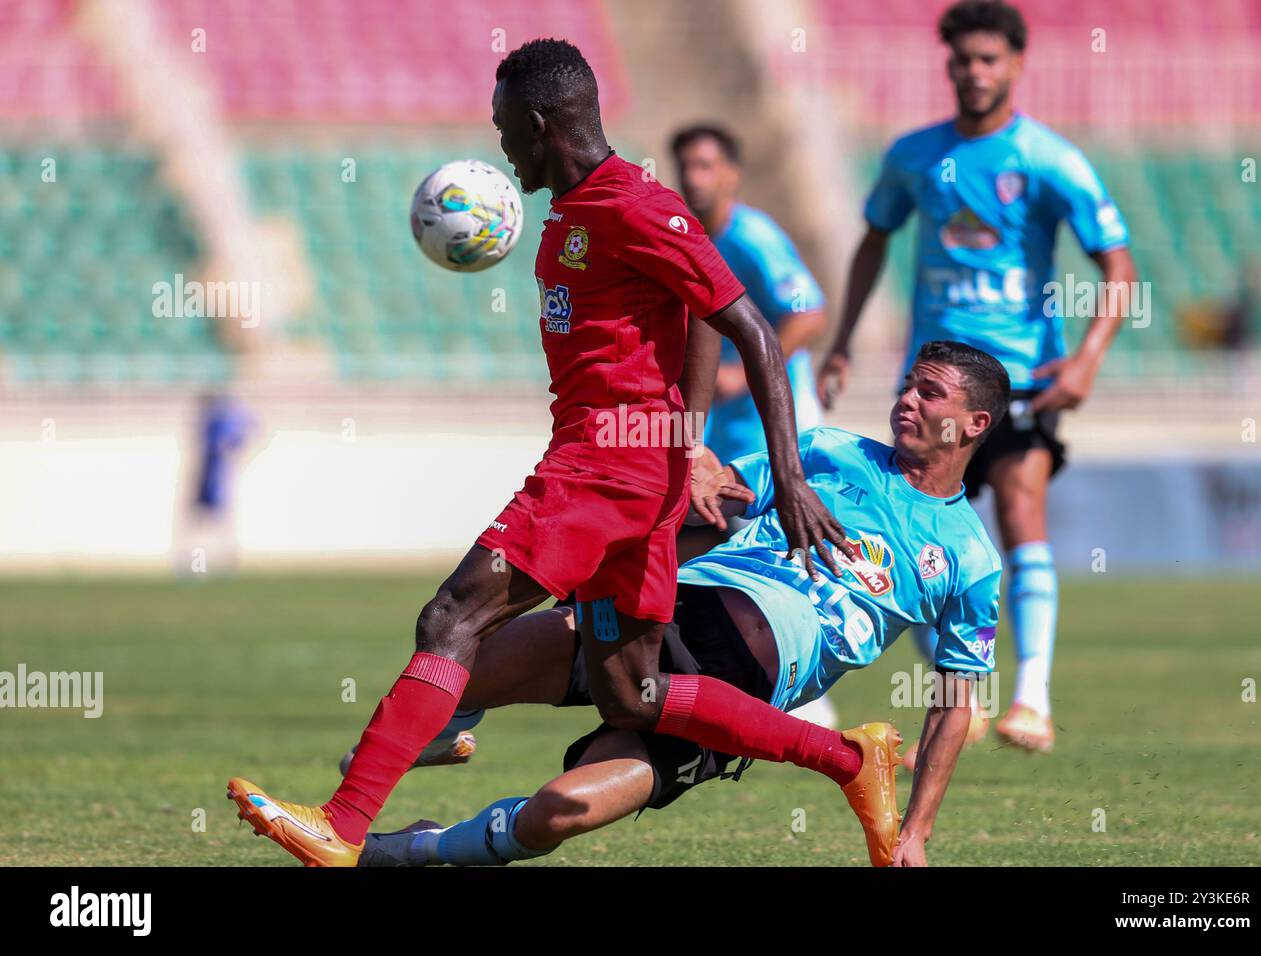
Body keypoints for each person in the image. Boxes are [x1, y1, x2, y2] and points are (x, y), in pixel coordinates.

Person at [227, 38, 858, 867]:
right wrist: (688, 439)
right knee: (631, 690)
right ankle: (849, 760)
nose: (500, 148)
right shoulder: (574, 210)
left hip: (603, 472)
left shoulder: (637, 205)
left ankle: (342, 826)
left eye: (503, 131)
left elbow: (751, 328)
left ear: (538, 124)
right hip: (630, 472)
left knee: (452, 615)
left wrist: (786, 476)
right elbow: (698, 312)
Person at [359, 341, 1009, 869]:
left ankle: (417, 849)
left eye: (929, 393)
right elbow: (720, 492)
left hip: (743, 694)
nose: (905, 401)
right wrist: (695, 470)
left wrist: (916, 832)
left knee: (558, 813)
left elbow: (955, 701)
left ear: (974, 424)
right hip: (676, 608)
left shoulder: (970, 560)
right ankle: (382, 777)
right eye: (908, 385)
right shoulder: (829, 451)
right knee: (460, 664)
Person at [817, 0, 1138, 754]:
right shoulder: (916, 156)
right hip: (932, 388)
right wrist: (843, 343)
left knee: (1023, 511)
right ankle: (962, 686)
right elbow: (874, 240)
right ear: (948, 66)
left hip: (1021, 383)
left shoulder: (1049, 159)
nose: (974, 72)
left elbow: (1118, 266)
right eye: (962, 60)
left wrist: (1088, 359)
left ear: (1017, 65)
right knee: (908, 542)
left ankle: (1032, 699)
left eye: (989, 59)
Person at [670, 123, 838, 730]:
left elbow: (809, 313)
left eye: (707, 166)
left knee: (794, 549)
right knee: (715, 540)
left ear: (732, 174)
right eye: (686, 166)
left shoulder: (753, 236)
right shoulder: (682, 238)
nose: (695, 178)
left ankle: (814, 695)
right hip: (718, 430)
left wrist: (743, 367)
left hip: (774, 421)